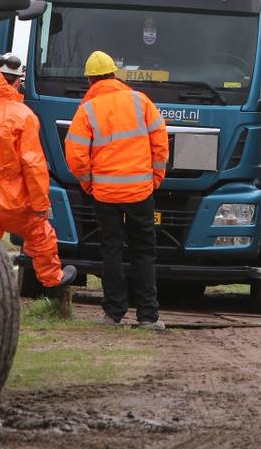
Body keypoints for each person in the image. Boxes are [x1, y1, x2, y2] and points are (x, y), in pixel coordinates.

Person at [64, 50, 169, 329]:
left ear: (90, 80)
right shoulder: (140, 101)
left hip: (105, 194)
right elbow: (160, 142)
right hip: (140, 192)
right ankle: (148, 316)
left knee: (111, 250)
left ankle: (113, 314)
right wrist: (155, 177)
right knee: (144, 252)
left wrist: (89, 183)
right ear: (115, 75)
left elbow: (75, 155)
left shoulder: (87, 110)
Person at [0, 54, 75, 295]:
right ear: (17, 82)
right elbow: (33, 164)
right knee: (41, 234)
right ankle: (53, 281)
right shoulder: (23, 115)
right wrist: (40, 203)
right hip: (16, 200)